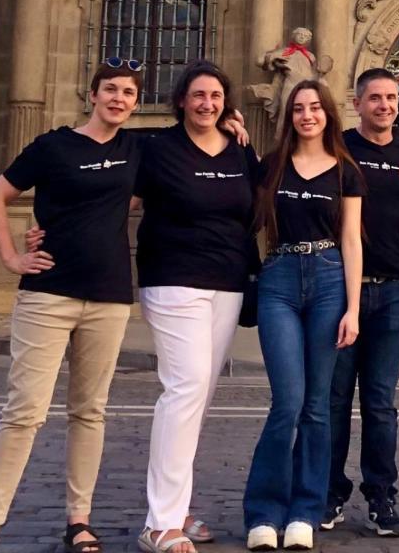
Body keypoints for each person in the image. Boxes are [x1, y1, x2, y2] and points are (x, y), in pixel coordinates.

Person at [0, 60, 144, 553]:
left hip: (108, 298)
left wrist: (234, 125)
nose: (118, 98)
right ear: (92, 94)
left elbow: (177, 169)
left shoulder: (137, 149)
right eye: (110, 89)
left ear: (134, 101)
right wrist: (11, 256)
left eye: (128, 92)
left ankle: (79, 520)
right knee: (24, 412)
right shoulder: (53, 145)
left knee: (90, 412)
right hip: (47, 294)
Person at [134, 60, 259, 553]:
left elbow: (256, 207)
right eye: (198, 95)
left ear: (226, 104)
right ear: (181, 101)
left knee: (199, 397)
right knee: (184, 390)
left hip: (225, 282)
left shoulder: (240, 149)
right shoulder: (157, 149)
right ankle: (158, 523)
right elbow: (115, 201)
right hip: (172, 280)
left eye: (215, 97)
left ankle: (179, 507)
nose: (207, 104)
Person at [243, 79, 364, 552]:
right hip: (280, 278)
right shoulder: (272, 166)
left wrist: (353, 308)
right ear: (289, 116)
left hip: (331, 278)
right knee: (286, 403)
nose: (307, 115)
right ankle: (264, 511)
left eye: (315, 107)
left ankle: (305, 511)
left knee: (317, 406)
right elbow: (245, 217)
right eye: (298, 108)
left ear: (328, 114)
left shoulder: (345, 171)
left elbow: (352, 239)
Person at [321, 68, 399, 537]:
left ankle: (381, 495)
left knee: (380, 402)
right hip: (341, 289)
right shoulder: (336, 147)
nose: (385, 105)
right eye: (375, 98)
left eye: (391, 98)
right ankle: (330, 492)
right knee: (335, 399)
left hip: (394, 290)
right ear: (357, 103)